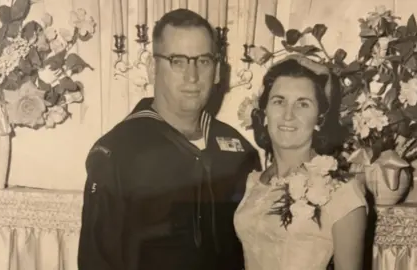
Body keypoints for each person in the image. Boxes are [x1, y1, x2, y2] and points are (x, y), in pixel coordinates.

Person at [78, 9, 261, 270]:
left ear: (218, 70)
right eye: (178, 61)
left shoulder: (239, 151)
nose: (192, 76)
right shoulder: (118, 152)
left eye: (204, 61)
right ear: (153, 69)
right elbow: (97, 261)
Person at [233, 55, 368, 270]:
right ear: (265, 111)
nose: (288, 115)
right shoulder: (254, 182)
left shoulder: (341, 191)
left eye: (302, 104)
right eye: (279, 101)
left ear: (319, 118)